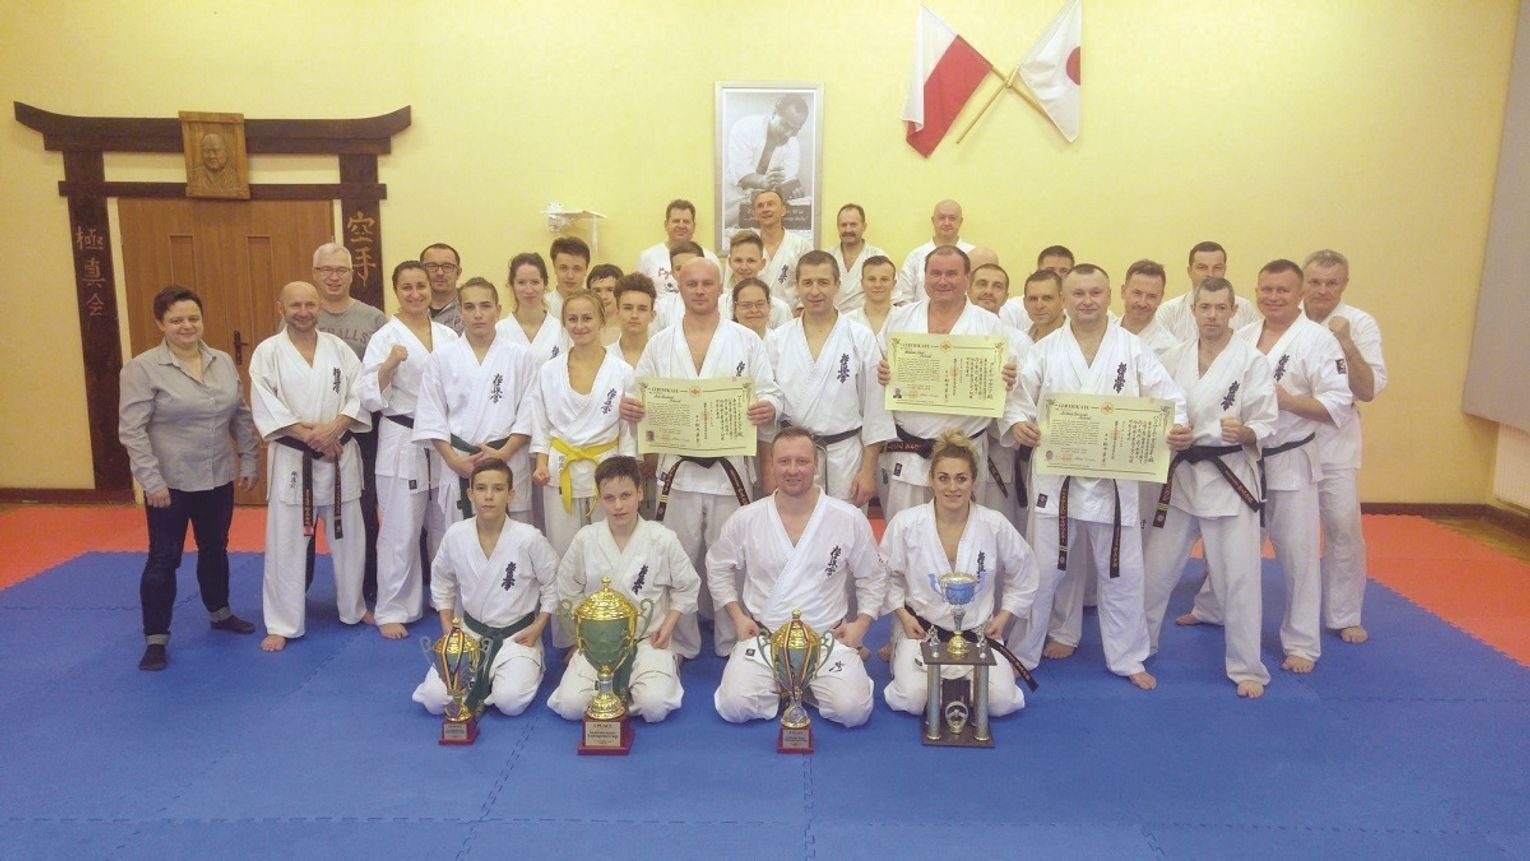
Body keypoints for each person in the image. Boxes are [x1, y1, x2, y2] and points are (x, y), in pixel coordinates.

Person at [1007, 264, 1191, 689]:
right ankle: (1024, 651)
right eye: (1078, 293)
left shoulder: (1133, 349)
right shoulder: (1045, 350)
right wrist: (1018, 424)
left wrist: (1177, 427)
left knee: (1122, 571)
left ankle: (1128, 657)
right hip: (1057, 481)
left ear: (1110, 296)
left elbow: (1169, 399)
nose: (1087, 300)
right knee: (1043, 570)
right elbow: (1018, 401)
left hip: (1114, 482)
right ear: (1064, 299)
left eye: (1095, 292)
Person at [1179, 260, 1353, 674]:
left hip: (1288, 458)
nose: (1274, 297)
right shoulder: (1241, 335)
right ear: (1256, 293)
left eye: (1283, 290)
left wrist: (1288, 401)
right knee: (1231, 547)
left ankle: (1302, 643)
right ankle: (1212, 607)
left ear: (1300, 294)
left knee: (1297, 554)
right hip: (1238, 460)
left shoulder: (1318, 340)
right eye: (1266, 289)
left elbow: (1338, 405)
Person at [619, 256, 783, 657]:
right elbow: (639, 394)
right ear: (679, 286)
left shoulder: (746, 340)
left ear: (720, 288)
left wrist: (769, 407)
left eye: (707, 283)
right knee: (677, 557)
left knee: (731, 557)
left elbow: (770, 390)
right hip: (677, 472)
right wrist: (633, 408)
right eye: (691, 283)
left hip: (730, 471)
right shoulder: (661, 343)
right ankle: (679, 639)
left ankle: (734, 637)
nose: (699, 291)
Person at [1140, 277, 1276, 697]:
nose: (1213, 315)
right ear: (1193, 311)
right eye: (1205, 307)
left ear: (1234, 311)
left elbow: (1266, 421)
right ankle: (1138, 648)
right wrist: (1169, 433)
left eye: (1221, 308)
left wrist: (1247, 433)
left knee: (1239, 580)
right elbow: (1154, 410)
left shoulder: (1252, 361)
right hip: (1182, 478)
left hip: (1229, 479)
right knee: (1154, 572)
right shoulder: (1172, 356)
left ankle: (1247, 667)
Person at [119, 286, 259, 670]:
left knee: (215, 547)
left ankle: (220, 612)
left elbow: (240, 414)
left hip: (217, 474)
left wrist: (249, 460)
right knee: (164, 558)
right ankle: (156, 638)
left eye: (193, 318)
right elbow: (132, 430)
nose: (187, 326)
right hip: (170, 483)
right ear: (160, 324)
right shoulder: (143, 369)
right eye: (176, 320)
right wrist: (151, 481)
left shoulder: (221, 361)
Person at [709, 428, 886, 728]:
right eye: (784, 461)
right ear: (771, 465)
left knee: (852, 711)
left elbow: (873, 576)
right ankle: (794, 687)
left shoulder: (847, 517)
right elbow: (717, 566)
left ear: (816, 464)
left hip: (827, 638)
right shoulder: (747, 518)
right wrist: (737, 617)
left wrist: (861, 625)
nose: (793, 470)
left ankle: (796, 687)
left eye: (802, 461)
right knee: (734, 706)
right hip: (766, 637)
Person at [249, 281, 373, 652]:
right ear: (281, 308)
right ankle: (282, 622)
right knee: (286, 544)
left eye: (310, 305)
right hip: (294, 459)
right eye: (295, 305)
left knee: (350, 538)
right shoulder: (268, 352)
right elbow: (264, 403)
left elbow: (360, 392)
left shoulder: (338, 348)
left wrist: (335, 427)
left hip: (339, 455)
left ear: (320, 307)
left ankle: (353, 608)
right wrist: (311, 436)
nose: (303, 312)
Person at [882, 430, 1039, 716]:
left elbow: (1024, 571)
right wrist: (903, 616)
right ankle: (943, 684)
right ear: (931, 480)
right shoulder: (906, 524)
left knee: (1001, 702)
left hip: (977, 635)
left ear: (974, 481)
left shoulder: (994, 524)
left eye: (961, 478)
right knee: (914, 699)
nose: (952, 487)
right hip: (922, 634)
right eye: (943, 478)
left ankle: (953, 690)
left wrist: (1003, 617)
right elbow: (885, 576)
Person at [547, 456, 699, 722]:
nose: (618, 506)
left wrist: (669, 626)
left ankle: (663, 666)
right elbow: (568, 588)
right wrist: (582, 636)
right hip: (598, 641)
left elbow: (687, 586)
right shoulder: (586, 539)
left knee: (655, 706)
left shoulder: (662, 538)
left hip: (647, 638)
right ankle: (618, 694)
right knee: (571, 706)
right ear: (600, 498)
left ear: (640, 493)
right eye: (609, 498)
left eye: (626, 495)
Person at [878, 246, 1018, 522]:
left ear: (967, 278)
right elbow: (878, 371)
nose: (943, 281)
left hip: (965, 453)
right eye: (936, 273)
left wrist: (1008, 379)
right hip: (910, 452)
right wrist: (881, 373)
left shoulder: (989, 325)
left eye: (952, 274)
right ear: (925, 278)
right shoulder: (900, 318)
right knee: (906, 530)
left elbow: (1008, 389)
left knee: (964, 533)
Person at [411, 458, 555, 718]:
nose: (489, 496)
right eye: (481, 488)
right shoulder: (456, 535)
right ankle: (481, 680)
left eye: (498, 489)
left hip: (517, 637)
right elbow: (441, 580)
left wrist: (539, 627)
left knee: (510, 702)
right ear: (470, 494)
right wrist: (447, 625)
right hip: (469, 634)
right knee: (434, 700)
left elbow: (552, 584)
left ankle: (523, 669)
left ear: (511, 494)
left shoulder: (529, 537)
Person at [359, 261, 457, 639]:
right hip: (402, 437)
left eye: (421, 286)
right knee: (400, 528)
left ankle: (447, 600)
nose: (415, 294)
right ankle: (393, 608)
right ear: (396, 291)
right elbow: (368, 395)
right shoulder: (385, 337)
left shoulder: (448, 335)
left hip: (443, 440)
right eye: (407, 287)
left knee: (446, 525)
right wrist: (388, 365)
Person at [1302, 249, 1387, 644]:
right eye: (1315, 282)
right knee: (1254, 524)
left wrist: (1346, 342)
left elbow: (1367, 390)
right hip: (1281, 440)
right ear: (1303, 282)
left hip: (1335, 441)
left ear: (1344, 284)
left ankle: (1345, 613)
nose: (1322, 290)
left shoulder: (1359, 323)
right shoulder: (1285, 318)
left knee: (1343, 528)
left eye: (1331, 283)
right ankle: (1217, 603)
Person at [764, 251, 894, 505]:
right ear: (797, 286)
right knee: (793, 525)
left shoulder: (860, 337)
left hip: (844, 458)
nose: (815, 291)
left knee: (843, 527)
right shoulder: (778, 339)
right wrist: (769, 468)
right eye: (807, 283)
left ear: (837, 285)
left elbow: (875, 409)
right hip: (792, 459)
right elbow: (769, 405)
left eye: (823, 282)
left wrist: (868, 471)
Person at [414, 277, 538, 528]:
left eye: (485, 306)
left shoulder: (521, 357)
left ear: (498, 310)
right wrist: (453, 461)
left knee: (513, 538)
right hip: (460, 462)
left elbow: (530, 412)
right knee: (459, 537)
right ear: (460, 311)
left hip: (508, 459)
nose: (478, 314)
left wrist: (504, 453)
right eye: (470, 307)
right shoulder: (442, 358)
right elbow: (431, 415)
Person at [530, 289, 637, 560]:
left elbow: (627, 430)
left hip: (607, 467)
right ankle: (567, 591)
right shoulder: (549, 370)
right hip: (561, 467)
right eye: (572, 319)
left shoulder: (622, 371)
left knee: (609, 549)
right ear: (564, 323)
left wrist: (627, 473)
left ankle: (610, 591)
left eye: (587, 318)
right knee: (563, 549)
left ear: (602, 320)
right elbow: (541, 424)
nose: (579, 326)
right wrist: (541, 464)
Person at [312, 242, 388, 603]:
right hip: (311, 431)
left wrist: (342, 424)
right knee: (305, 508)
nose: (333, 277)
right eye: (326, 270)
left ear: (352, 274)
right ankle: (299, 586)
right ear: (315, 274)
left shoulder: (373, 319)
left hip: (362, 427)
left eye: (341, 270)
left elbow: (379, 378)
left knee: (363, 502)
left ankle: (367, 580)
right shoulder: (304, 313)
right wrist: (320, 430)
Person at [723, 95, 808, 231]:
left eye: (795, 130)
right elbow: (740, 173)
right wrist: (764, 181)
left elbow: (784, 186)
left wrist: (792, 192)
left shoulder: (793, 145)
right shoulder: (745, 127)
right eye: (785, 125)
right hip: (730, 201)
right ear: (774, 114)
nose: (788, 134)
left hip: (763, 212)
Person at [1155, 241, 1259, 342]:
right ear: (1189, 271)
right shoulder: (1169, 312)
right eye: (1202, 268)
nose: (1210, 274)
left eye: (1217, 267)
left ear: (1225, 270)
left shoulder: (1245, 309)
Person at [634, 199, 719, 295]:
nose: (681, 225)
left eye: (686, 222)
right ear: (666, 225)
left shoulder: (710, 258)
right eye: (676, 221)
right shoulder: (647, 257)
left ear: (694, 226)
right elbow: (638, 293)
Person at [897, 200, 974, 304]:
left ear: (960, 222)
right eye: (942, 218)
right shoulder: (915, 257)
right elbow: (904, 298)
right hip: (921, 314)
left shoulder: (974, 255)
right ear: (933, 220)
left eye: (952, 218)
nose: (947, 223)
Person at [496, 252, 566, 361]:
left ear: (545, 284)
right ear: (512, 285)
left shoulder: (560, 330)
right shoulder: (499, 330)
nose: (529, 290)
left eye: (535, 282)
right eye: (521, 282)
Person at [751, 190, 814, 309]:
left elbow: (811, 282)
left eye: (770, 204)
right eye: (760, 206)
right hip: (753, 314)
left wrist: (801, 309)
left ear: (783, 210)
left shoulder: (801, 245)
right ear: (754, 214)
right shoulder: (746, 245)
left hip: (791, 315)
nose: (765, 209)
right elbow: (731, 284)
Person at [721, 231, 792, 328]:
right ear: (730, 262)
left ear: (762, 264)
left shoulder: (780, 309)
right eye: (738, 260)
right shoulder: (719, 306)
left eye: (751, 261)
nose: (744, 267)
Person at [827, 203, 887, 313]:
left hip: (866, 320)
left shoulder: (878, 256)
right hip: (832, 319)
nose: (848, 229)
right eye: (843, 225)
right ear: (838, 227)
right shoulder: (826, 257)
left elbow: (893, 297)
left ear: (864, 226)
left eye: (853, 224)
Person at [1119, 259, 1179, 361]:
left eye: (1151, 296)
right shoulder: (1103, 334)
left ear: (1161, 298)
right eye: (1137, 293)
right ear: (1123, 291)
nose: (1142, 303)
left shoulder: (1169, 350)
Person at [1001, 269, 1066, 341]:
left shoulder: (1074, 339)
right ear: (1025, 303)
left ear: (1063, 300)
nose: (1039, 306)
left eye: (1047, 298)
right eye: (1033, 299)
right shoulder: (1018, 341)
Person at [844, 255, 898, 338]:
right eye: (872, 279)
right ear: (862, 283)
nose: (877, 285)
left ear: (893, 284)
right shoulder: (847, 322)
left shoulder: (905, 320)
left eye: (884, 279)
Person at [420, 242, 465, 335]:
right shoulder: (412, 308)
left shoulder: (470, 308)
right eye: (432, 266)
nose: (440, 273)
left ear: (458, 273)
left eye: (447, 267)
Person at [547, 236, 591, 319]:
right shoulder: (542, 306)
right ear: (554, 268)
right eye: (563, 268)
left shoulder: (596, 307)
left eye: (577, 269)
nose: (570, 276)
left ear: (586, 270)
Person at [586, 263, 624, 345]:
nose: (603, 297)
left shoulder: (631, 330)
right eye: (597, 291)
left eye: (610, 290)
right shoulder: (581, 330)